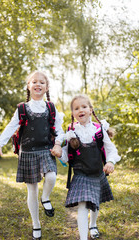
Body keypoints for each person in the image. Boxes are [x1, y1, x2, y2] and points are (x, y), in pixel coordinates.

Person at [0, 70, 65, 240]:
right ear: (28, 86)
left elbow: (60, 131)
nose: (38, 84)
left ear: (46, 87)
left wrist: (57, 143)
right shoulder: (22, 109)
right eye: (34, 82)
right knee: (32, 190)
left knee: (52, 177)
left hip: (46, 150)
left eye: (42, 82)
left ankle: (46, 198)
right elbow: (11, 127)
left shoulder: (51, 108)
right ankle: (36, 224)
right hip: (27, 153)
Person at [59, 94, 121, 240]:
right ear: (73, 113)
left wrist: (110, 162)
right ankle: (83, 238)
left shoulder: (99, 130)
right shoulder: (71, 132)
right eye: (76, 108)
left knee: (95, 201)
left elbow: (111, 149)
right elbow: (66, 156)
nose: (80, 110)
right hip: (80, 174)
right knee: (82, 206)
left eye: (84, 106)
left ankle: (93, 224)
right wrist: (58, 153)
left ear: (91, 110)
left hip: (97, 172)